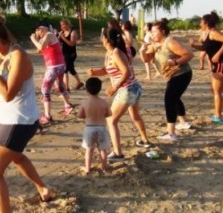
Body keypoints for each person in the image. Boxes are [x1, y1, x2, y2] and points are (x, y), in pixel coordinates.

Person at [0, 11, 52, 212]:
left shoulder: (18, 56)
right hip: (12, 120)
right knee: (18, 158)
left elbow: (7, 94)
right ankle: (43, 189)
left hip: (20, 121)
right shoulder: (2, 56)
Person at [88, 27, 151, 162]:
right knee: (135, 116)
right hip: (133, 88)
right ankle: (145, 140)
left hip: (127, 89)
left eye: (102, 36)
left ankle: (118, 153)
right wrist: (95, 72)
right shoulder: (110, 53)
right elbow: (107, 70)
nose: (101, 38)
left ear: (106, 39)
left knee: (111, 120)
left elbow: (126, 72)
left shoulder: (116, 52)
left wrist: (114, 87)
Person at [140, 19, 194, 140]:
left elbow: (189, 54)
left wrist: (174, 61)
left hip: (182, 74)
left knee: (169, 99)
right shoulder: (154, 45)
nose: (152, 34)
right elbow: (146, 60)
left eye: (154, 32)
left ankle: (171, 133)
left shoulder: (170, 42)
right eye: (151, 32)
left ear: (163, 31)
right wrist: (142, 51)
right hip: (172, 76)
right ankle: (183, 122)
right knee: (175, 97)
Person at [30, 21, 73, 124]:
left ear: (44, 28)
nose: (38, 32)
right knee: (59, 85)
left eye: (39, 30)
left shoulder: (49, 35)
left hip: (54, 66)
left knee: (45, 89)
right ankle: (68, 105)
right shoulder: (46, 37)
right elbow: (39, 50)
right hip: (58, 65)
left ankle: (47, 115)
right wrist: (37, 40)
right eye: (37, 30)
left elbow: (40, 48)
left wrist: (32, 39)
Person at [189, 11, 223, 123]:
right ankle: (219, 112)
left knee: (216, 90)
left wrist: (218, 54)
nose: (200, 23)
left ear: (206, 23)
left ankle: (218, 116)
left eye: (201, 21)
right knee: (214, 90)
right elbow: (205, 48)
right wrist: (194, 45)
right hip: (216, 65)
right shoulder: (208, 34)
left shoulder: (213, 33)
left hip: (220, 64)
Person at [77, 77, 111, 173]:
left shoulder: (85, 103)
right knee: (103, 149)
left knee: (89, 150)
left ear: (87, 90)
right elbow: (109, 114)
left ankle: (87, 168)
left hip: (89, 128)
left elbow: (79, 115)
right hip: (101, 128)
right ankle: (104, 167)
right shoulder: (104, 102)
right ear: (100, 89)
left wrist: (86, 116)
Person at [58, 18, 84, 91]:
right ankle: (79, 83)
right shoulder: (62, 32)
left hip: (71, 54)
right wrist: (59, 37)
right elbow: (59, 43)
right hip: (64, 53)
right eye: (61, 26)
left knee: (65, 69)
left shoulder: (73, 32)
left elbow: (71, 44)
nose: (62, 27)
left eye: (63, 25)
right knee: (71, 69)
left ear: (67, 24)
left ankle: (66, 87)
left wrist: (63, 37)